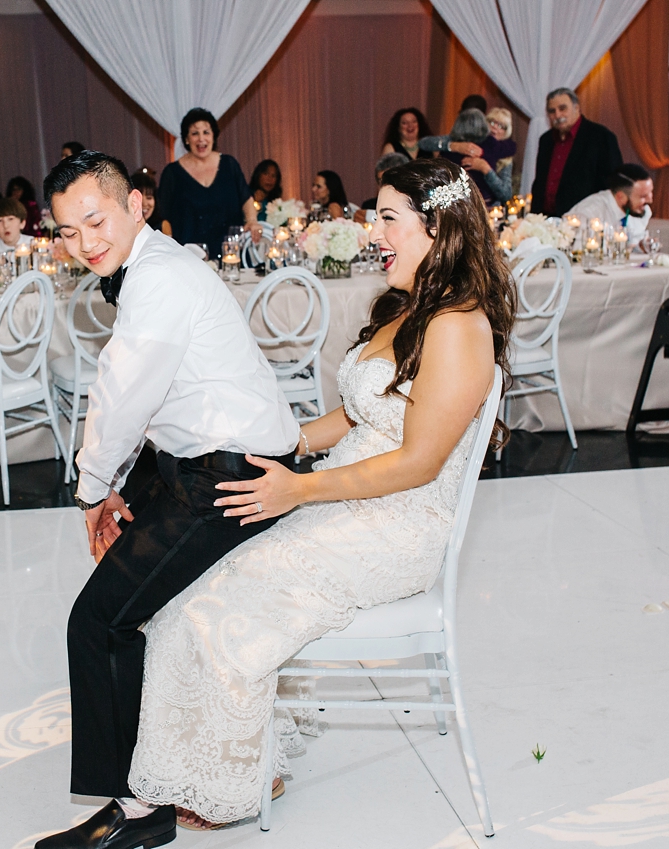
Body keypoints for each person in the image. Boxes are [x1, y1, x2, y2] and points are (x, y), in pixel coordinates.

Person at [120, 159, 515, 831]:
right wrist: (274, 442)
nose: (373, 230)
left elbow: (419, 463)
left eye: (388, 217)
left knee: (224, 595)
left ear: (437, 224)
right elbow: (356, 415)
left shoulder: (457, 326)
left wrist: (298, 489)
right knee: (198, 575)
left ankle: (232, 780)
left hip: (395, 524)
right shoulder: (410, 306)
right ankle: (241, 756)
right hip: (345, 497)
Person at [32, 150, 302, 848]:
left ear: (136, 206)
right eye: (67, 231)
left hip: (232, 481)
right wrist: (120, 488)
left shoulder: (157, 281)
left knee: (98, 621)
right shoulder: (158, 266)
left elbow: (122, 397)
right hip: (204, 461)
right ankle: (154, 775)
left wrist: (93, 492)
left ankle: (139, 810)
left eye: (95, 220)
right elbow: (151, 408)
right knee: (120, 598)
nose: (85, 242)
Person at [156, 108, 256, 250]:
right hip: (190, 256)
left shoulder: (229, 164)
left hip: (231, 253)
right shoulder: (172, 173)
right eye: (195, 133)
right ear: (186, 139)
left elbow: (246, 198)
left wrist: (252, 221)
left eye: (206, 132)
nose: (201, 139)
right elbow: (164, 217)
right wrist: (170, 247)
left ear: (214, 136)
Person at [529, 88, 624, 216]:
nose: (557, 115)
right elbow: (539, 184)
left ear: (577, 108)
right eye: (552, 111)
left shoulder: (601, 137)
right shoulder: (546, 140)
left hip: (583, 220)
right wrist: (533, 218)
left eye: (563, 109)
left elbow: (612, 185)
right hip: (546, 220)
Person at [424, 109, 514, 202]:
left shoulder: (505, 156)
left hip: (490, 208)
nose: (495, 127)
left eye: (501, 126)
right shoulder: (465, 142)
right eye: (491, 122)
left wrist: (485, 169)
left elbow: (506, 195)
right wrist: (452, 146)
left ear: (506, 132)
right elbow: (425, 143)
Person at [563, 163, 654, 241]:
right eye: (643, 196)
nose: (650, 200)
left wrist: (641, 246)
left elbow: (634, 241)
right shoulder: (589, 213)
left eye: (651, 192)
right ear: (620, 196)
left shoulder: (641, 211)